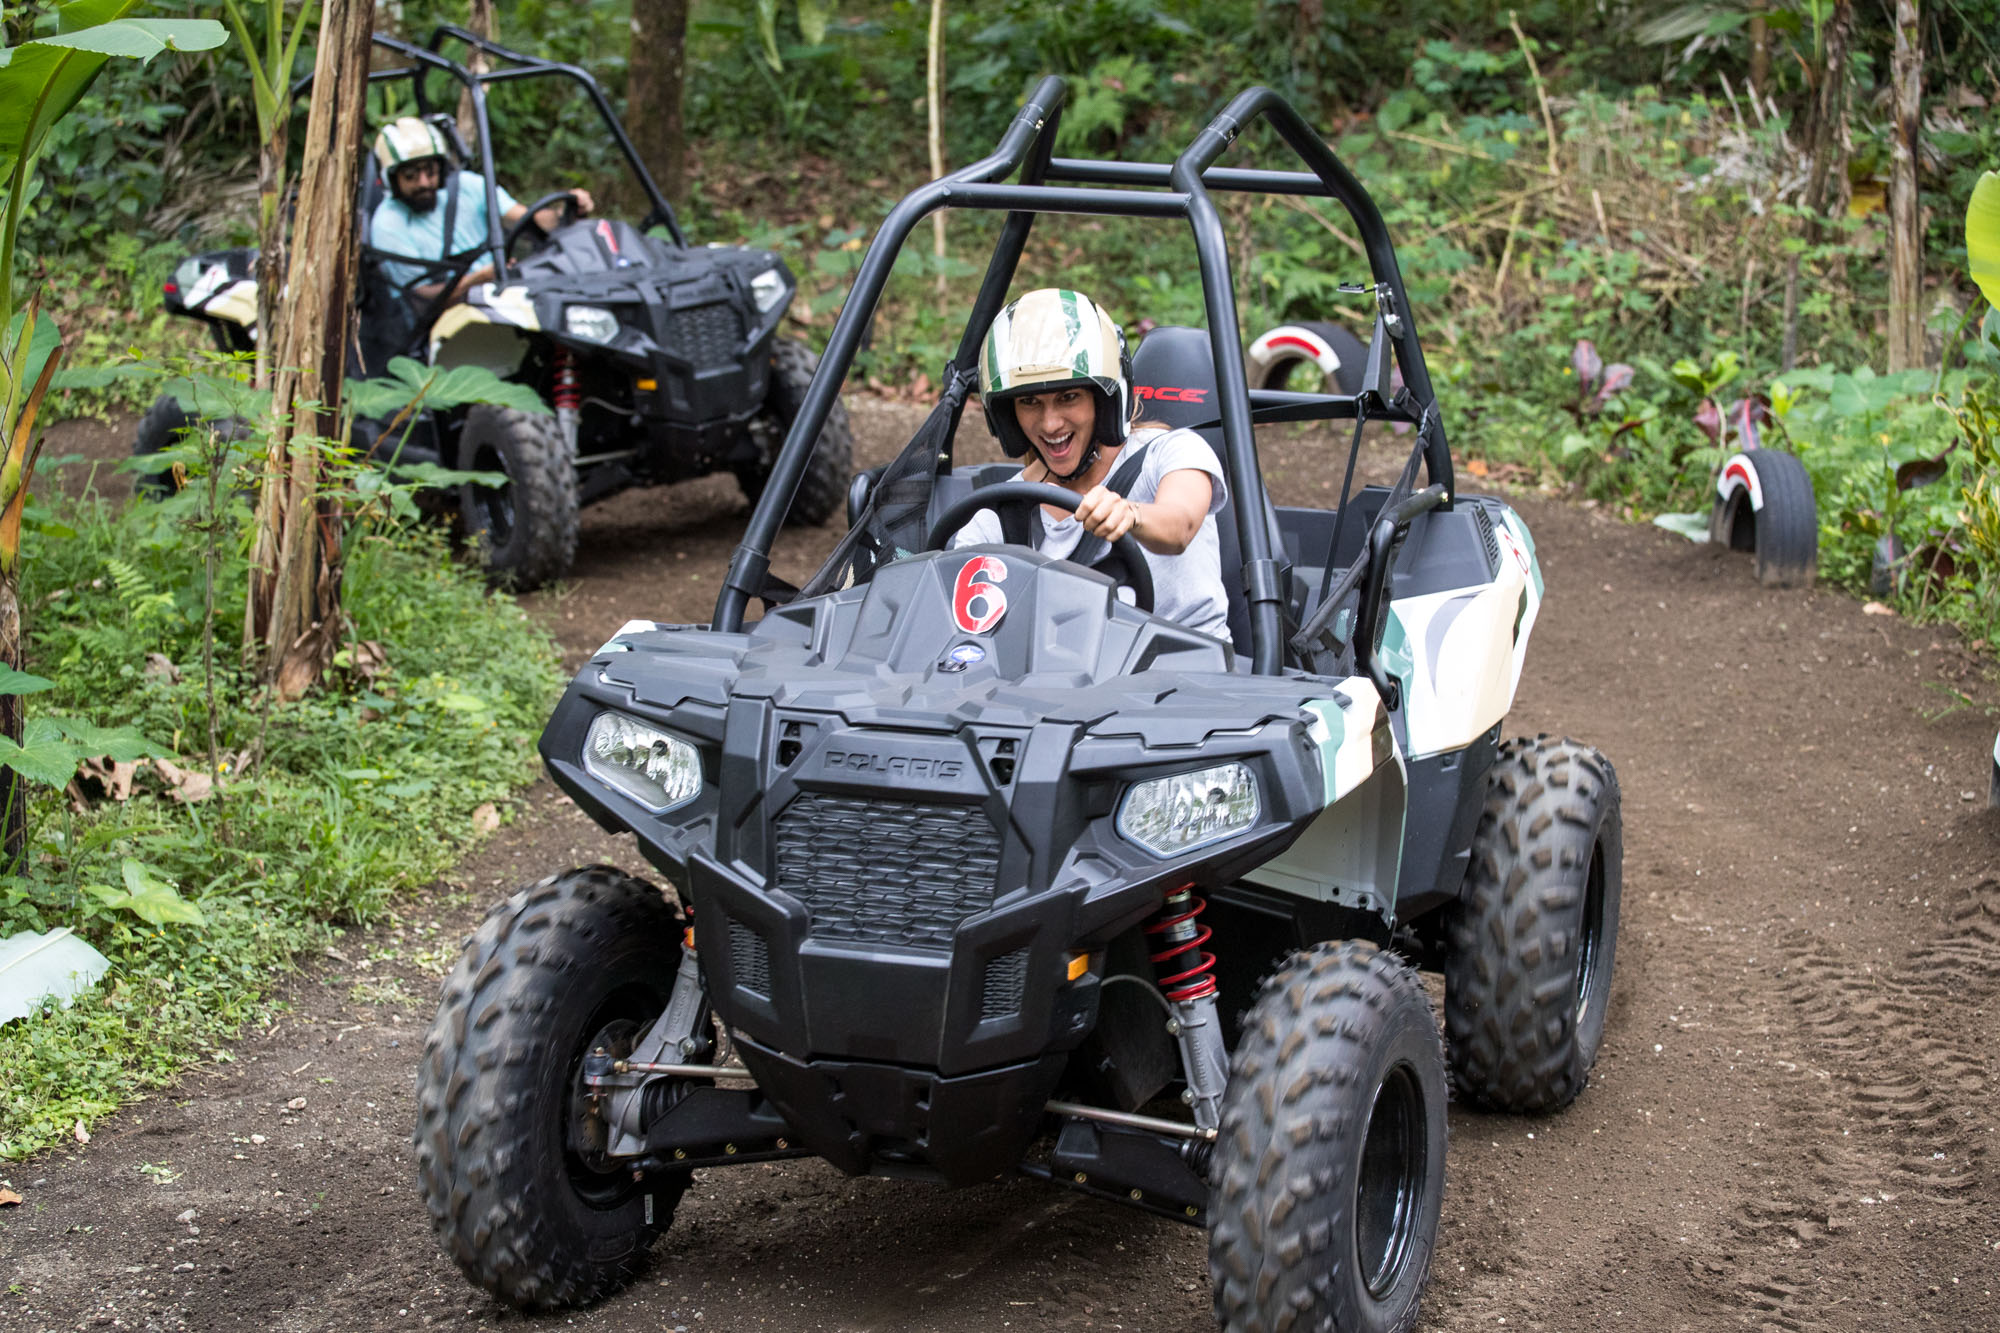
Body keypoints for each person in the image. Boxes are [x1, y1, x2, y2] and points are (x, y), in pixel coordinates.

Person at [954, 288, 1231, 641]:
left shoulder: (1172, 452)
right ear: (1008, 416)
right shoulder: (1002, 510)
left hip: (1192, 675)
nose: (1050, 423)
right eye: (1029, 402)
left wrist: (1130, 515)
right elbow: (959, 604)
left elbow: (1179, 525)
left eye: (1068, 397)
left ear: (1104, 401)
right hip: (1073, 686)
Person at [367, 116, 596, 307]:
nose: (424, 182)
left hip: (504, 298)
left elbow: (528, 219)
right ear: (392, 179)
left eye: (431, 171)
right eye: (411, 176)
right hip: (445, 319)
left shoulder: (468, 186)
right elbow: (420, 299)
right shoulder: (388, 224)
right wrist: (478, 279)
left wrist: (566, 211)